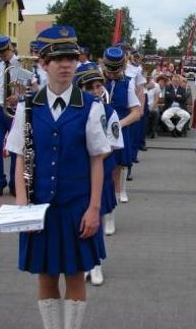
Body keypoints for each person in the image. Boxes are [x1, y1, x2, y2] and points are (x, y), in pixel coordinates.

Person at [5, 25, 111, 328]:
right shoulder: (28, 107)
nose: (66, 65)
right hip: (40, 205)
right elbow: (22, 158)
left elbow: (97, 161)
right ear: (43, 64)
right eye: (58, 59)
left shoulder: (90, 106)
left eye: (71, 58)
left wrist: (94, 209)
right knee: (46, 274)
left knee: (76, 274)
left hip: (76, 206)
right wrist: (23, 202)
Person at [75, 63, 124, 286]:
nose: (96, 91)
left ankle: (96, 264)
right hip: (75, 174)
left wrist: (91, 161)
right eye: (90, 87)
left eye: (98, 86)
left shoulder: (110, 111)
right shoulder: (73, 111)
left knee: (97, 218)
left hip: (99, 171)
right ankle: (82, 263)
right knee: (77, 219)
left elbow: (113, 144)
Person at [103, 47, 141, 203]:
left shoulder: (128, 83)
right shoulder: (97, 81)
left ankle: (121, 191)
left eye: (116, 71)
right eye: (110, 71)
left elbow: (136, 112)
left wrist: (118, 124)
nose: (112, 74)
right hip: (98, 126)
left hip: (119, 127)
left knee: (120, 163)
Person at [0, 35, 19, 197]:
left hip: (15, 111)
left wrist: (18, 97)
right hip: (0, 109)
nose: (2, 56)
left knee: (15, 149)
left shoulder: (20, 64)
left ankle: (15, 184)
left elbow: (32, 88)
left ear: (10, 48)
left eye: (4, 52)